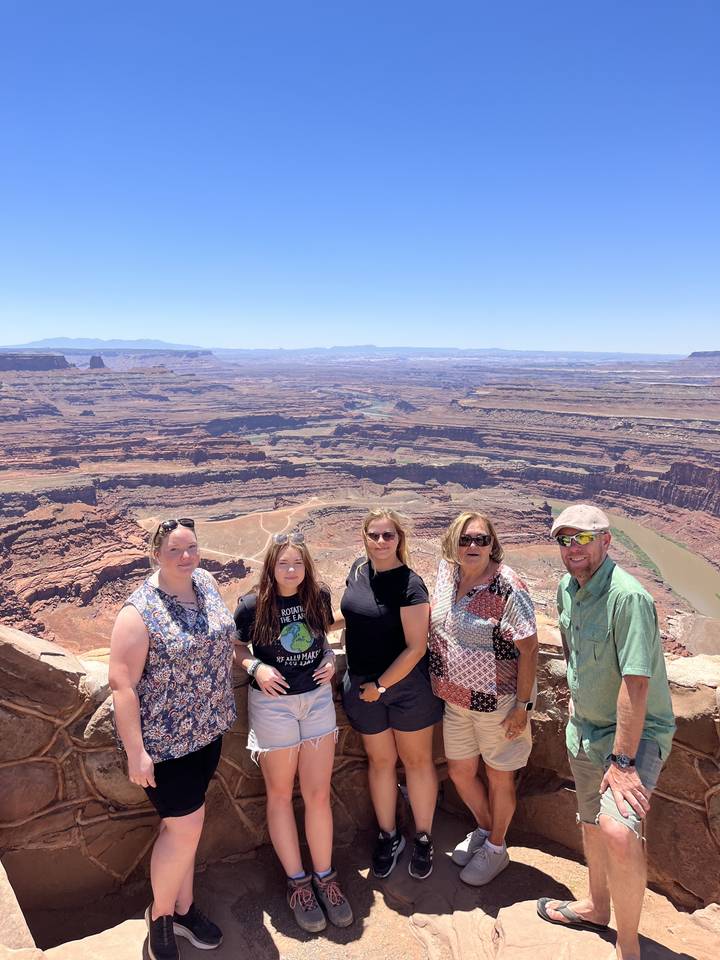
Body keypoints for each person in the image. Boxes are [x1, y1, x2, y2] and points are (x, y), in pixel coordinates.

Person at [536, 504, 675, 960]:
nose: (572, 549)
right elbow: (576, 652)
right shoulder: (566, 588)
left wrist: (623, 761)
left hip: (634, 736)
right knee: (591, 822)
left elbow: (636, 683)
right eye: (564, 540)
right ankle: (597, 906)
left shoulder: (627, 597)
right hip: (586, 728)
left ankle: (628, 946)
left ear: (606, 541)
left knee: (617, 830)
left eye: (582, 539)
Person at [109, 517, 236, 960]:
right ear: (155, 555)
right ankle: (161, 917)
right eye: (175, 551)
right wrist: (136, 752)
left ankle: (183, 908)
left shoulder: (203, 581)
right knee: (184, 830)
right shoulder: (139, 610)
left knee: (184, 828)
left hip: (207, 731)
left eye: (192, 548)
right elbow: (122, 686)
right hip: (165, 744)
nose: (186, 557)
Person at [234, 531, 353, 934]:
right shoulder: (252, 605)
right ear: (271, 566)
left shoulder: (316, 595)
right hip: (274, 706)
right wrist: (256, 668)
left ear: (307, 566)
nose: (291, 570)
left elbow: (323, 636)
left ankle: (326, 878)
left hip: (316, 701)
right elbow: (234, 647)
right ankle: (298, 884)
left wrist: (330, 660)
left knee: (318, 794)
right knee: (281, 795)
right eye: (283, 563)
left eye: (297, 563)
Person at [428, 511, 538, 885]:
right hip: (455, 700)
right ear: (452, 543)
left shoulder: (508, 587)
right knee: (459, 772)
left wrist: (522, 708)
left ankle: (495, 848)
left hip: (499, 705)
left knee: (499, 779)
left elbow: (530, 649)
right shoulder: (447, 573)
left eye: (481, 539)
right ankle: (488, 830)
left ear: (493, 544)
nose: (472, 546)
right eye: (464, 539)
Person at [339, 508, 443, 880]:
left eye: (388, 535)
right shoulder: (357, 570)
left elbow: (416, 647)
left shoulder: (410, 585)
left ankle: (425, 838)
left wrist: (380, 686)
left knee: (416, 763)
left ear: (400, 539)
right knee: (380, 763)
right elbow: (351, 614)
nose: (381, 542)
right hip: (362, 685)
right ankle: (389, 836)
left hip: (406, 689)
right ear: (363, 538)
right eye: (374, 535)